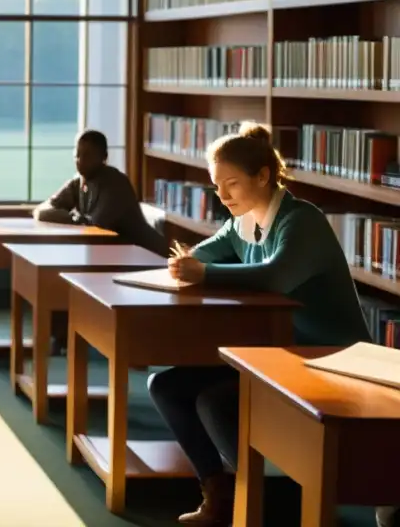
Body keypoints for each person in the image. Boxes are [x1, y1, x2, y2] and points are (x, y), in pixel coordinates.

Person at [147, 122, 371, 526]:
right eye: (217, 185)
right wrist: (188, 265)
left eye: (230, 183)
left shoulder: (302, 221)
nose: (222, 195)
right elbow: (203, 255)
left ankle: (261, 503)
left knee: (213, 401)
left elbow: (275, 276)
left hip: (328, 357)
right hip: (279, 350)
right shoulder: (244, 222)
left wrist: (205, 274)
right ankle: (221, 495)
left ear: (263, 176)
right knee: (165, 386)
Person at [32, 129, 170, 259]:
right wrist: (74, 218)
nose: (80, 160)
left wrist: (70, 218)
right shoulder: (78, 182)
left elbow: (96, 226)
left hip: (147, 255)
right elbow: (42, 211)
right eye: (77, 155)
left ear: (104, 157)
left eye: (87, 155)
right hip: (116, 254)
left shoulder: (115, 183)